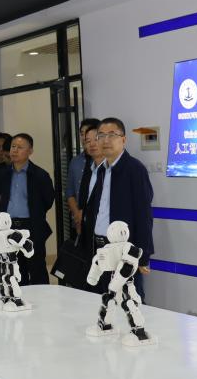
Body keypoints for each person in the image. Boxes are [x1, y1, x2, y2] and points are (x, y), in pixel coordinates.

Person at [79, 117, 154, 297]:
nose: (105, 140)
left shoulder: (134, 169)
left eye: (112, 135)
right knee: (101, 299)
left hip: (123, 250)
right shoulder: (101, 170)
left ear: (123, 139)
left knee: (128, 299)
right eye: (101, 135)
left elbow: (143, 215)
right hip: (99, 248)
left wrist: (143, 255)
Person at [0, 133, 55, 285]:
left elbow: (48, 200)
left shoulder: (40, 175)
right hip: (7, 228)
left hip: (31, 227)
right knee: (11, 270)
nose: (14, 150)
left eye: (20, 147)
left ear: (30, 151)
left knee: (36, 269)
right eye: (13, 146)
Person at [66, 118, 101, 238]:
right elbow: (69, 192)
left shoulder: (105, 163)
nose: (84, 137)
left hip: (98, 222)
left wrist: (86, 214)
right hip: (78, 222)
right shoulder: (75, 161)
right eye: (82, 134)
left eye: (89, 134)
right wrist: (77, 215)